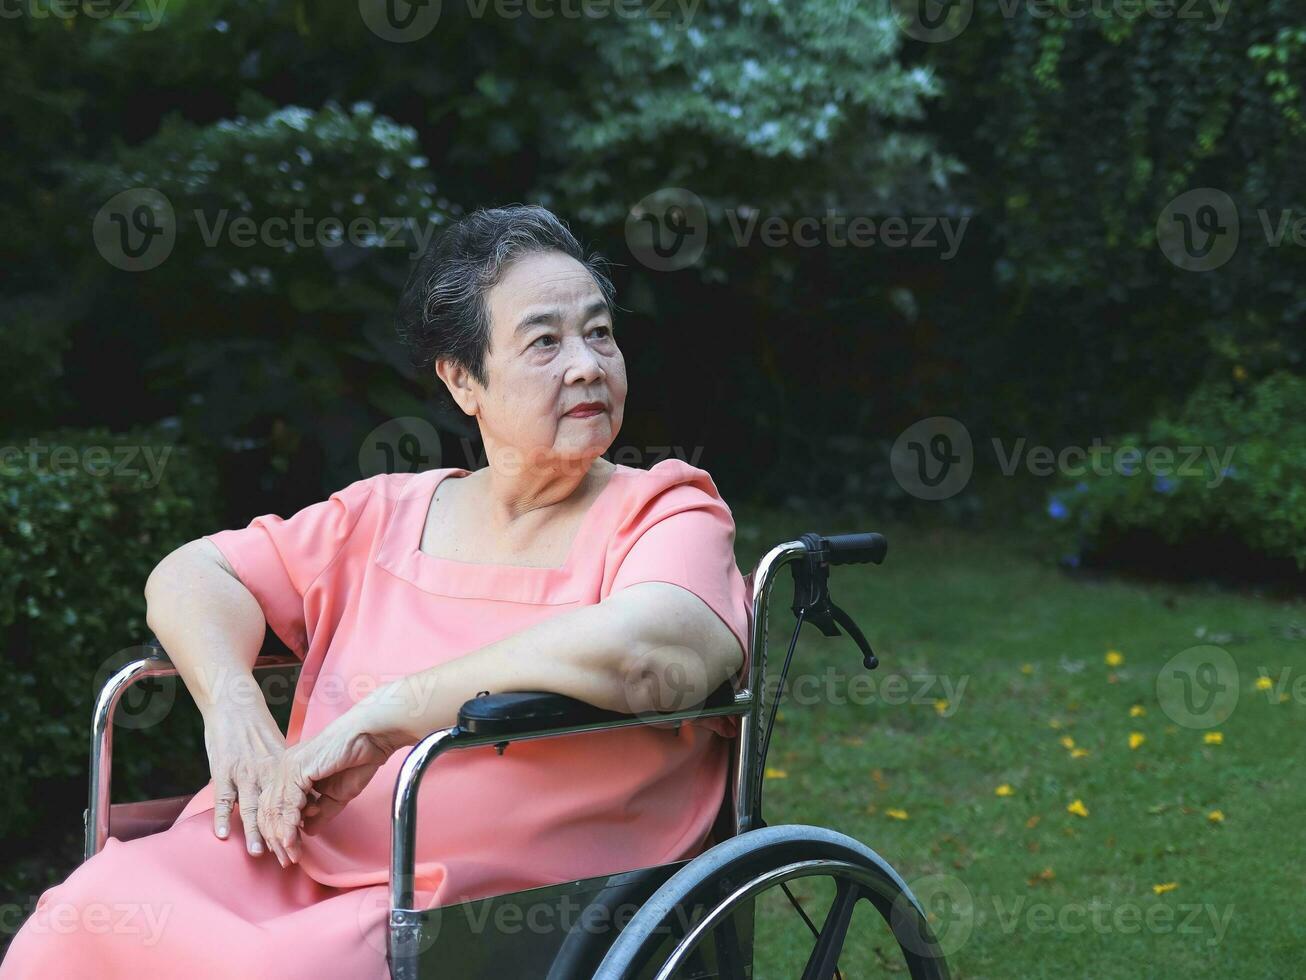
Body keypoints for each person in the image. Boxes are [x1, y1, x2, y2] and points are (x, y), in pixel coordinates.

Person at [1, 204, 751, 978]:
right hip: (286, 847)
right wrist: (230, 703)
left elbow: (652, 656)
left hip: (482, 896)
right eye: (545, 342)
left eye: (599, 333)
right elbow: (192, 573)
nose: (589, 364)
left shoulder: (665, 510)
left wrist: (387, 715)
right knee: (73, 925)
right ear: (464, 381)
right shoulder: (386, 513)